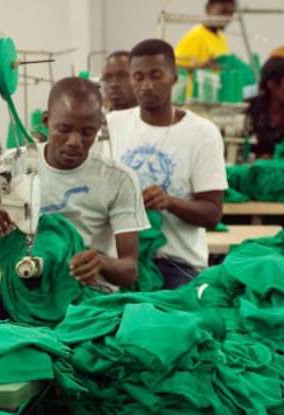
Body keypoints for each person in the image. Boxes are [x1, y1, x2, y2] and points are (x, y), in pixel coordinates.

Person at [0, 77, 150, 294]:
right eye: (64, 129)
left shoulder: (118, 179)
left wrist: (101, 262)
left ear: (99, 128)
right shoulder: (12, 166)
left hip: (84, 294)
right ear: (46, 120)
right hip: (19, 289)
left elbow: (129, 271)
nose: (74, 141)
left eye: (87, 133)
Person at [105, 39, 227, 289]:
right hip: (123, 263)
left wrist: (168, 202)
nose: (146, 86)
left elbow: (213, 214)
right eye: (138, 77)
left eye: (156, 75)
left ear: (174, 76)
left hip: (178, 265)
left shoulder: (203, 133)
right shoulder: (111, 125)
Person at [175, 0, 235, 68]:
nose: (226, 18)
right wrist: (201, 67)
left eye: (231, 14)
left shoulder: (221, 37)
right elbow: (174, 68)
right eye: (222, 12)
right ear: (208, 8)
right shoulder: (196, 36)